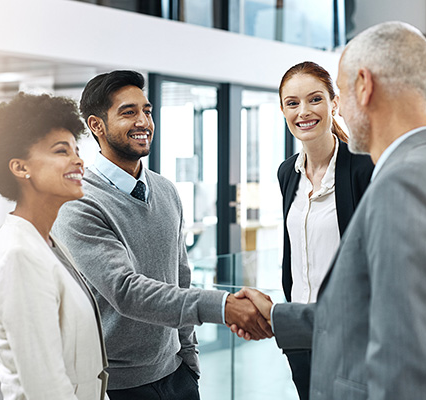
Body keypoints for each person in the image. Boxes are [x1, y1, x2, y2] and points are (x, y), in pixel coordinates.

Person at [233, 21, 426, 399]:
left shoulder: (406, 184)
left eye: (338, 90)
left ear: (363, 86)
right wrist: (277, 316)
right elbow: (373, 311)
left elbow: (403, 364)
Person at [52, 70, 271, 400]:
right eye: (129, 112)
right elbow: (126, 290)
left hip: (176, 375)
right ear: (97, 126)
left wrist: (189, 360)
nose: (144, 121)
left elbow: (180, 278)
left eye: (147, 110)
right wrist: (223, 306)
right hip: (117, 385)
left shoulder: (166, 190)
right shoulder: (77, 202)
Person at [0, 93, 108, 399]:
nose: (78, 159)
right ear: (21, 168)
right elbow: (47, 389)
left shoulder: (48, 241)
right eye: (62, 151)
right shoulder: (19, 256)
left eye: (76, 149)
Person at [277, 61, 373, 400]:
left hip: (351, 333)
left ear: (334, 104)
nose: (304, 111)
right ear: (283, 110)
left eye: (315, 99)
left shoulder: (364, 167)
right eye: (292, 103)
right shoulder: (287, 173)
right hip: (299, 330)